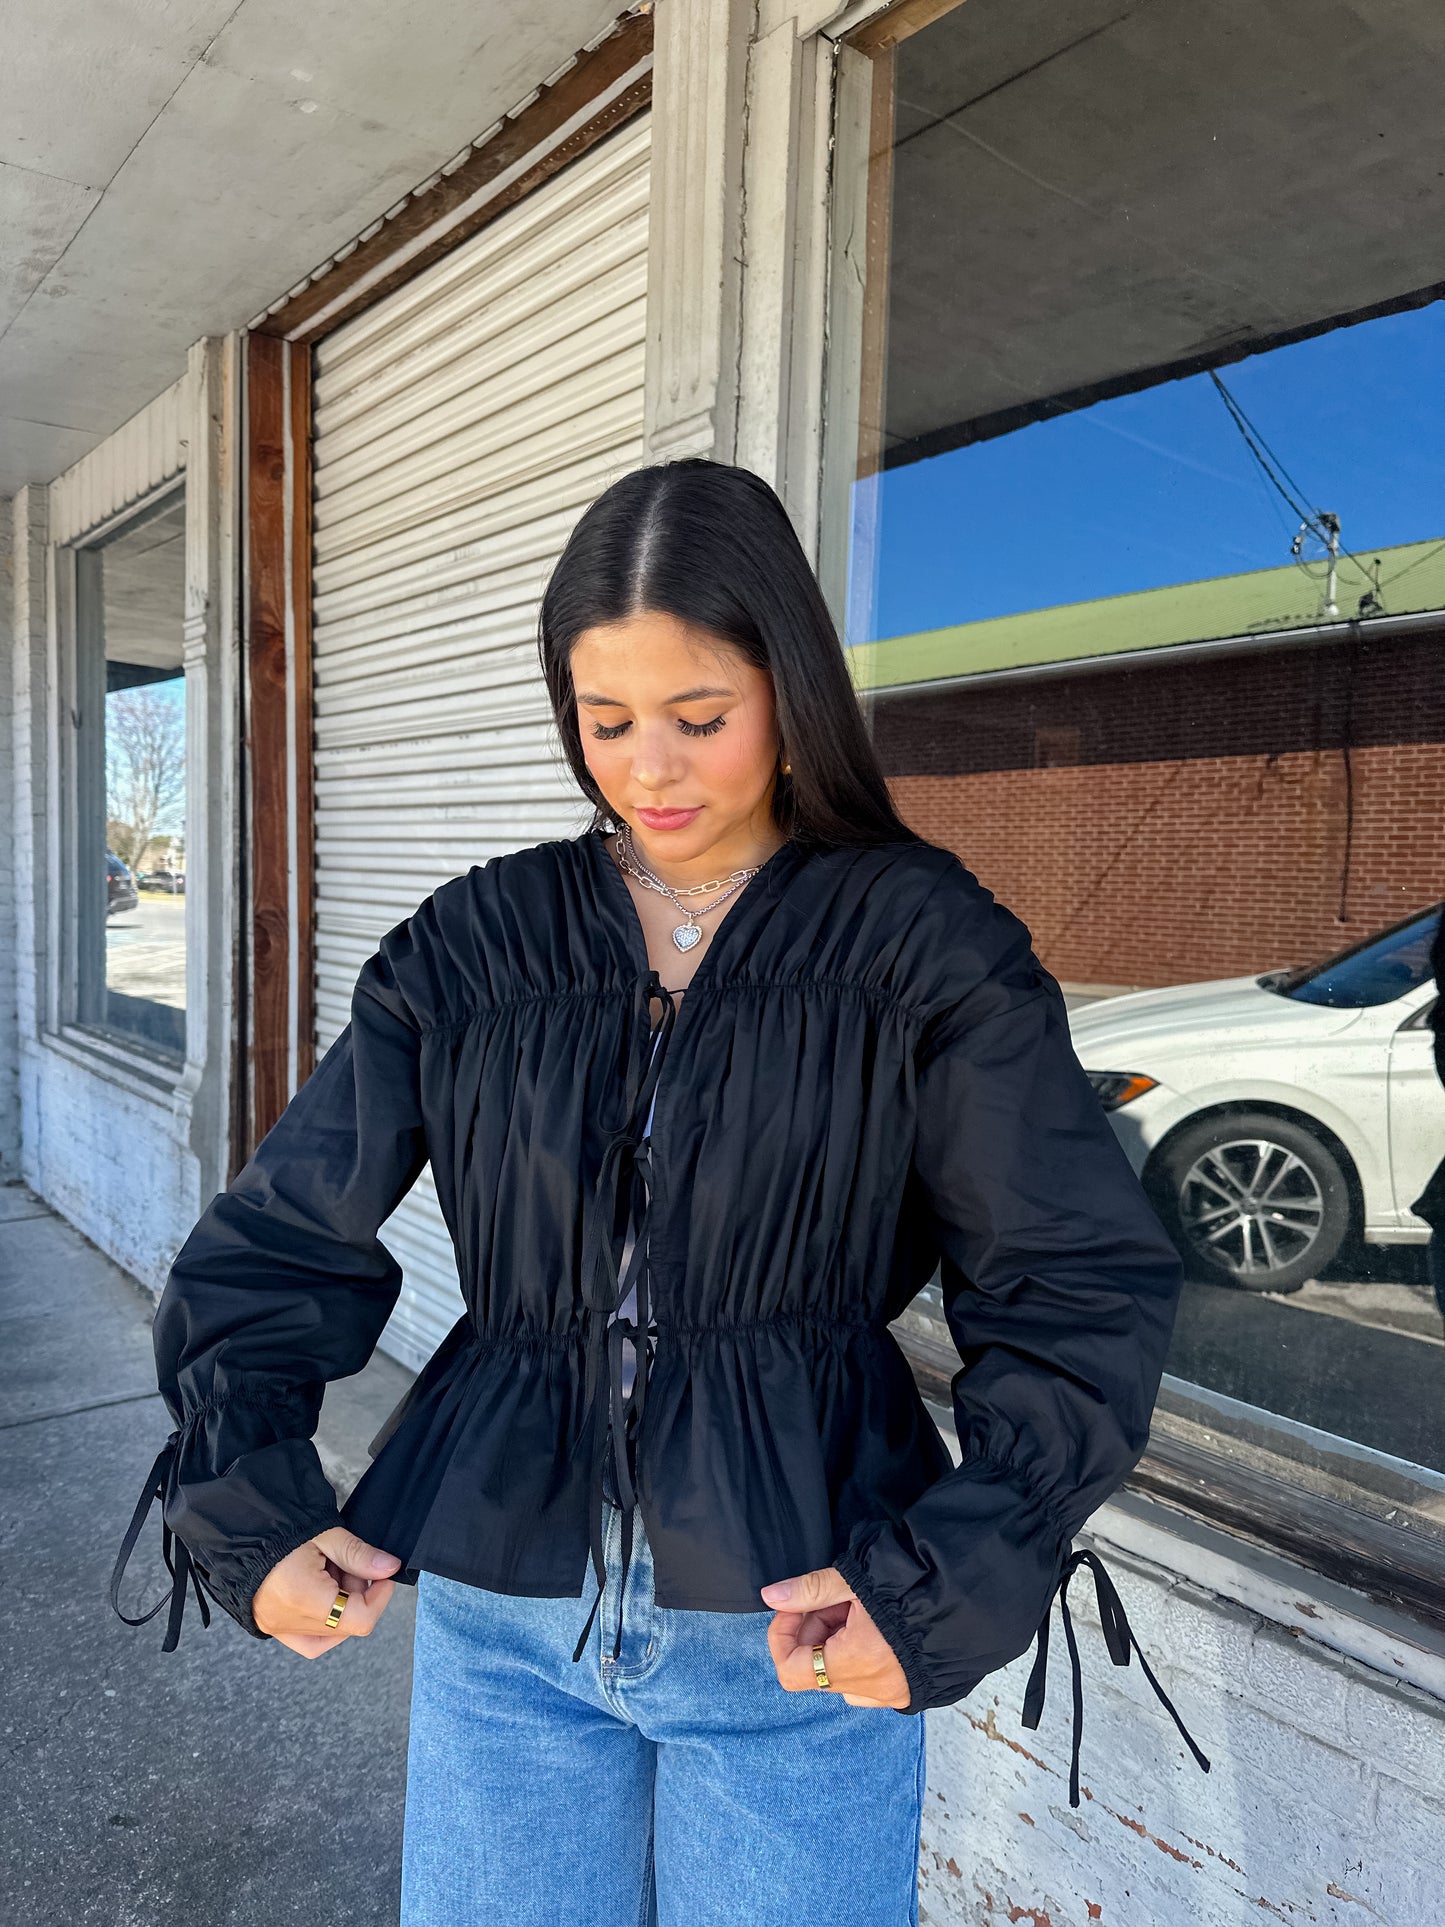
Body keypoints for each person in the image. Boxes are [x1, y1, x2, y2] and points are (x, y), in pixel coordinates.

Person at [112, 459, 1204, 1926]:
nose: (648, 770)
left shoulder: (919, 942)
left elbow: (1069, 1278)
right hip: (503, 1617)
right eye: (604, 720)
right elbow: (276, 1242)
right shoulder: (477, 944)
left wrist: (948, 1575)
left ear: (790, 689)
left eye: (699, 718)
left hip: (800, 1610)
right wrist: (249, 1507)